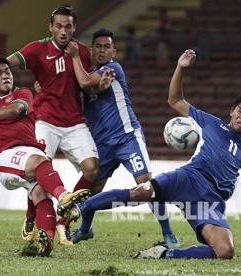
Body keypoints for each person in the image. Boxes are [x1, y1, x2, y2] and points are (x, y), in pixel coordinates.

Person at [69, 49, 241, 259]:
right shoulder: (211, 123)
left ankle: (164, 253)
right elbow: (175, 100)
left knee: (225, 251)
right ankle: (82, 208)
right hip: (188, 178)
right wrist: (180, 68)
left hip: (210, 201)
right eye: (240, 111)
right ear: (232, 111)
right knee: (142, 191)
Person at [0, 56, 91, 257]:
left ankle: (47, 240)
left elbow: (16, 109)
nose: (5, 76)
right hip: (4, 157)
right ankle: (64, 197)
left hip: (29, 152)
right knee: (40, 162)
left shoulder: (23, 93)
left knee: (40, 194)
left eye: (7, 72)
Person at [63, 28, 179, 248]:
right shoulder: (83, 79)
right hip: (103, 144)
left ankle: (168, 234)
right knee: (92, 190)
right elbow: (78, 87)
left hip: (127, 138)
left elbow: (88, 82)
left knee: (146, 185)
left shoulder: (113, 68)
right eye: (98, 46)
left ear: (113, 52)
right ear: (92, 49)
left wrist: (75, 56)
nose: (102, 50)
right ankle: (85, 230)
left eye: (107, 46)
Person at [7, 5, 100, 246]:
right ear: (50, 27)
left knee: (92, 170)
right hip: (45, 120)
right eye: (58, 26)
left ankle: (64, 222)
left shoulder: (81, 51)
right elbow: (7, 65)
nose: (63, 30)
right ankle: (30, 216)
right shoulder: (37, 48)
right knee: (37, 171)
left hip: (74, 122)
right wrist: (15, 92)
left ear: (74, 28)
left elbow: (88, 82)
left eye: (68, 26)